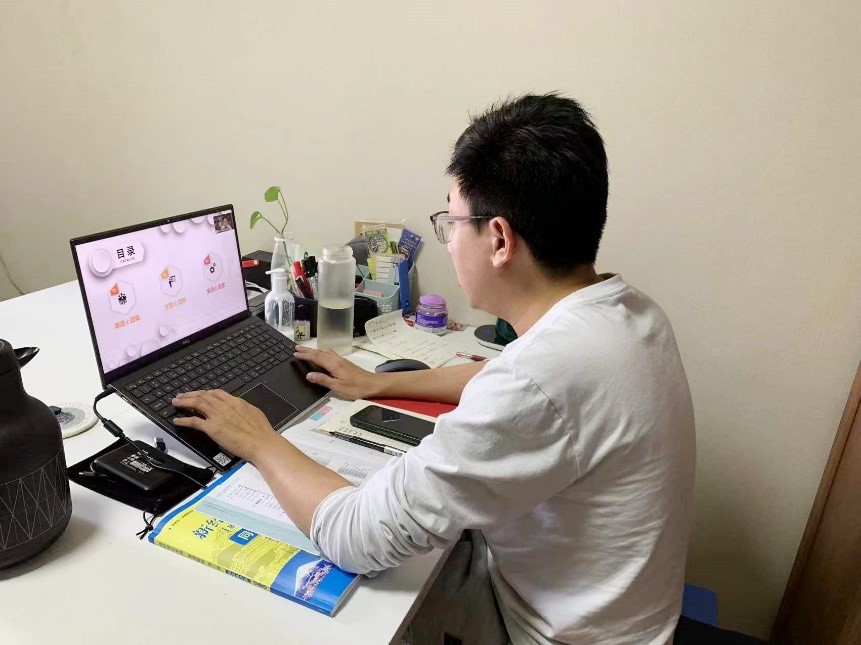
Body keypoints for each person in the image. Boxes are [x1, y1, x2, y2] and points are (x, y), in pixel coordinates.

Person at [172, 93, 695, 644]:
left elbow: (356, 535)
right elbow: (512, 380)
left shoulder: (542, 377)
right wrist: (378, 382)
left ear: (499, 239)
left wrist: (258, 440)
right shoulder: (625, 313)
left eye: (452, 222)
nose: (449, 242)